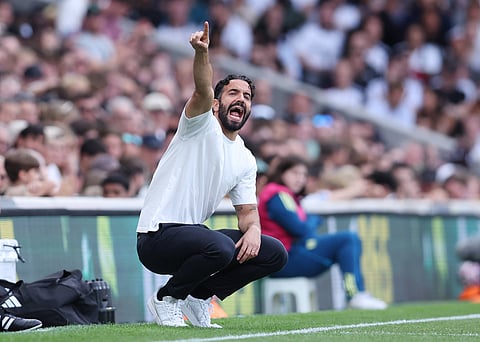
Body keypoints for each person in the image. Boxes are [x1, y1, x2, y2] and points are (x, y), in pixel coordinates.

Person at [136, 21, 288, 328]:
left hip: (195, 240)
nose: (241, 100)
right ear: (217, 104)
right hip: (157, 238)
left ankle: (199, 298)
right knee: (217, 246)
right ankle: (166, 299)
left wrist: (254, 230)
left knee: (274, 252)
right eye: (234, 93)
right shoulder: (199, 125)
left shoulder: (245, 157)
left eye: (247, 97)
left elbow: (246, 213)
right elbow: (203, 88)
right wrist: (202, 54)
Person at [258, 155, 387, 310]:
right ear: (282, 173)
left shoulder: (284, 195)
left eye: (303, 175)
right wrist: (313, 219)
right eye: (295, 173)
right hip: (284, 261)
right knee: (347, 239)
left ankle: (358, 293)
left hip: (284, 258)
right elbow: (300, 229)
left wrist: (309, 222)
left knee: (346, 240)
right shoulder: (278, 195)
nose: (300, 179)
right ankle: (354, 294)